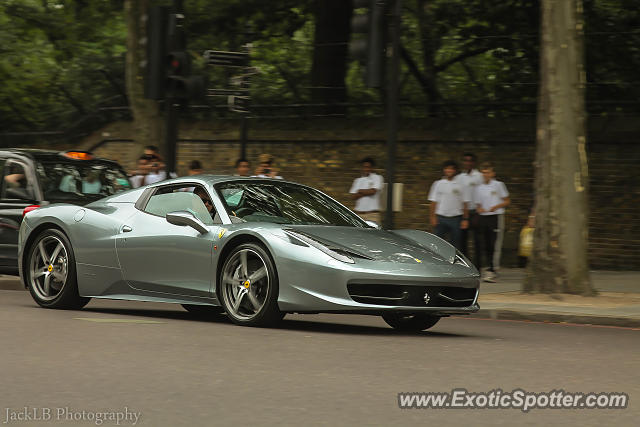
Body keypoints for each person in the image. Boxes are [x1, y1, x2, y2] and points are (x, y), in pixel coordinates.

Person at [474, 162, 510, 282]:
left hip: (495, 216)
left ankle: (492, 270)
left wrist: (496, 206)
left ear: (492, 173)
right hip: (483, 218)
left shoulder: (498, 185)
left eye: (488, 172)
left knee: (494, 243)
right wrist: (480, 209)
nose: (485, 175)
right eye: (483, 173)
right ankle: (488, 268)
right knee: (485, 243)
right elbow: (478, 206)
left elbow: (506, 201)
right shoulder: (479, 188)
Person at [428, 160, 470, 250]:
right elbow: (433, 202)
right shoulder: (438, 184)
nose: (449, 171)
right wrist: (432, 217)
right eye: (447, 168)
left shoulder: (461, 185)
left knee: (455, 245)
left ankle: (453, 263)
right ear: (444, 170)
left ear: (455, 171)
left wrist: (465, 219)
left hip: (456, 219)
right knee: (437, 243)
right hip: (441, 219)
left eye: (451, 169)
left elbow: (465, 203)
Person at [458, 153, 483, 265]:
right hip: (463, 213)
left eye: (470, 161)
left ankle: (477, 267)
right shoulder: (460, 177)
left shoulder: (479, 176)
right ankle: (465, 265)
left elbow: (484, 193)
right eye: (466, 161)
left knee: (477, 241)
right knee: (462, 242)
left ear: (474, 163)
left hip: (476, 212)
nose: (468, 163)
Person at [349, 157, 384, 224]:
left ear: (372, 168)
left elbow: (373, 192)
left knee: (373, 234)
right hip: (359, 215)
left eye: (368, 167)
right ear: (362, 168)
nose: (366, 169)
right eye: (364, 167)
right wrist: (367, 191)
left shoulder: (377, 177)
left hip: (372, 215)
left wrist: (359, 191)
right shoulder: (357, 180)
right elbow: (353, 197)